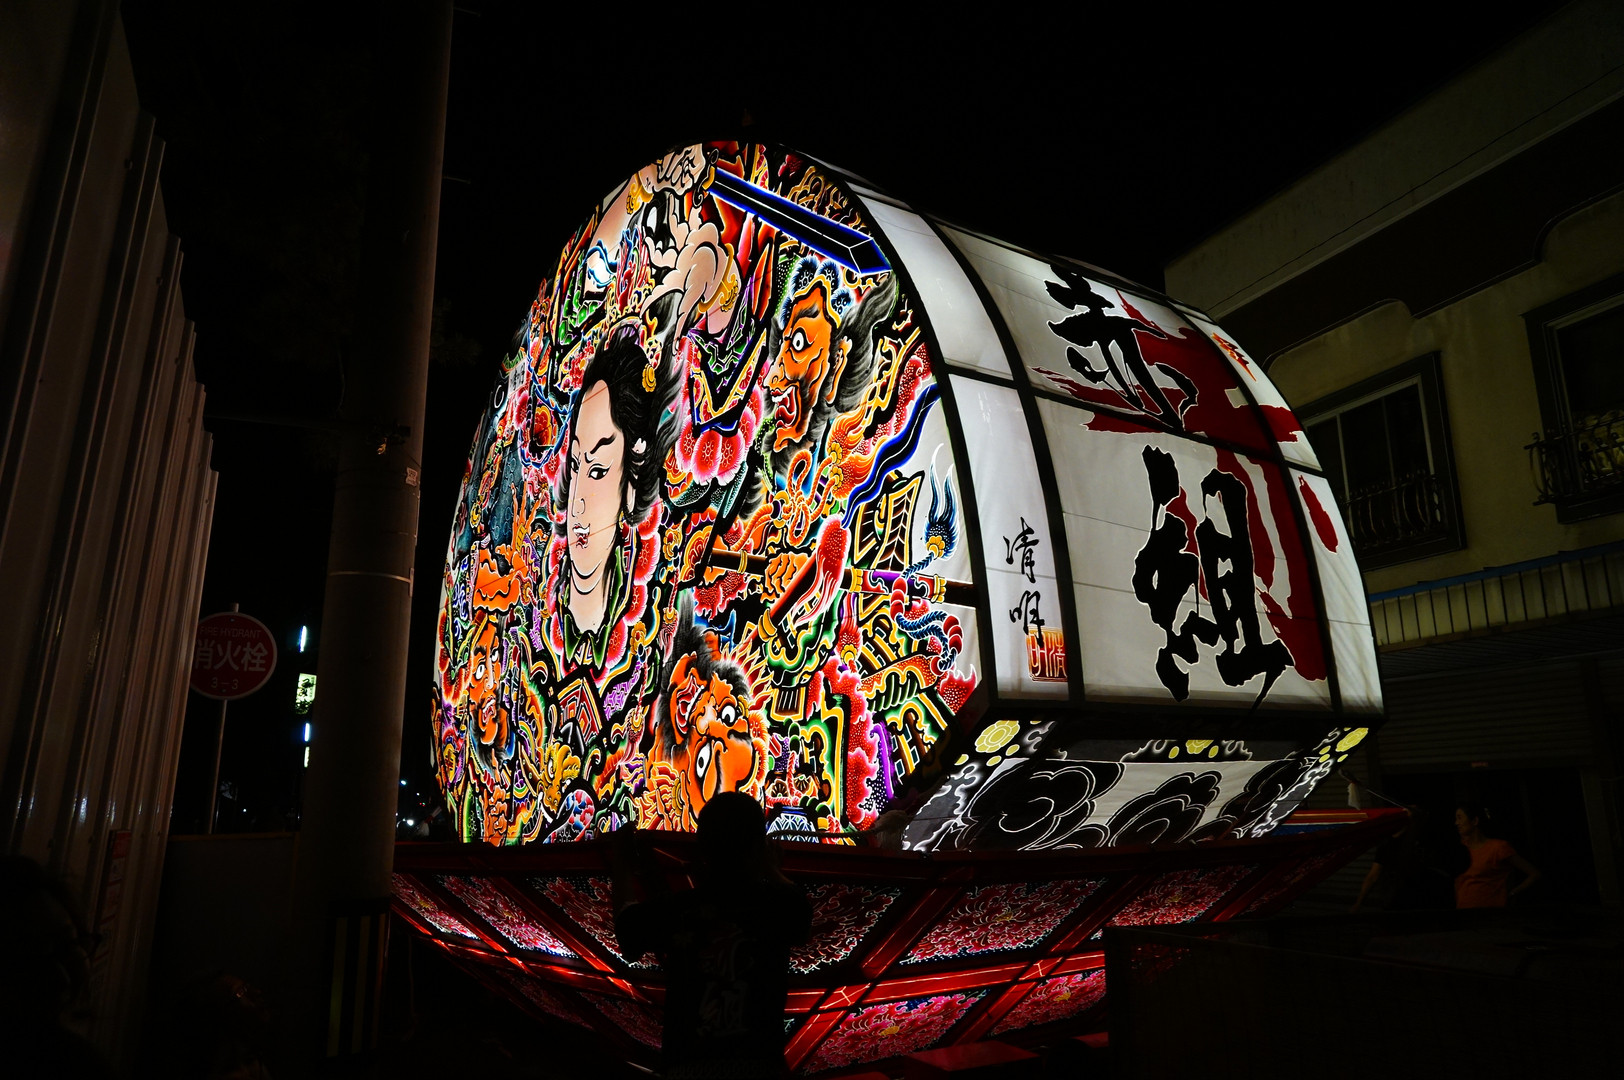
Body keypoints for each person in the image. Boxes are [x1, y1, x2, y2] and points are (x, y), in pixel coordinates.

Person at [612, 793, 812, 1080]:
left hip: (689, 1067)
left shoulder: (681, 909)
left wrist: (621, 864)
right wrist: (772, 870)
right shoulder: (776, 906)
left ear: (703, 849)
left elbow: (628, 933)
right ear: (760, 848)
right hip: (758, 1066)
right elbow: (800, 915)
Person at [1454, 804, 1542, 909]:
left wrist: (1513, 893)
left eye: (1459, 818)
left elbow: (1534, 873)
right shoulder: (1461, 851)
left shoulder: (1498, 847)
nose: (1456, 823)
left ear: (1474, 821)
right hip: (1464, 913)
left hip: (1492, 913)